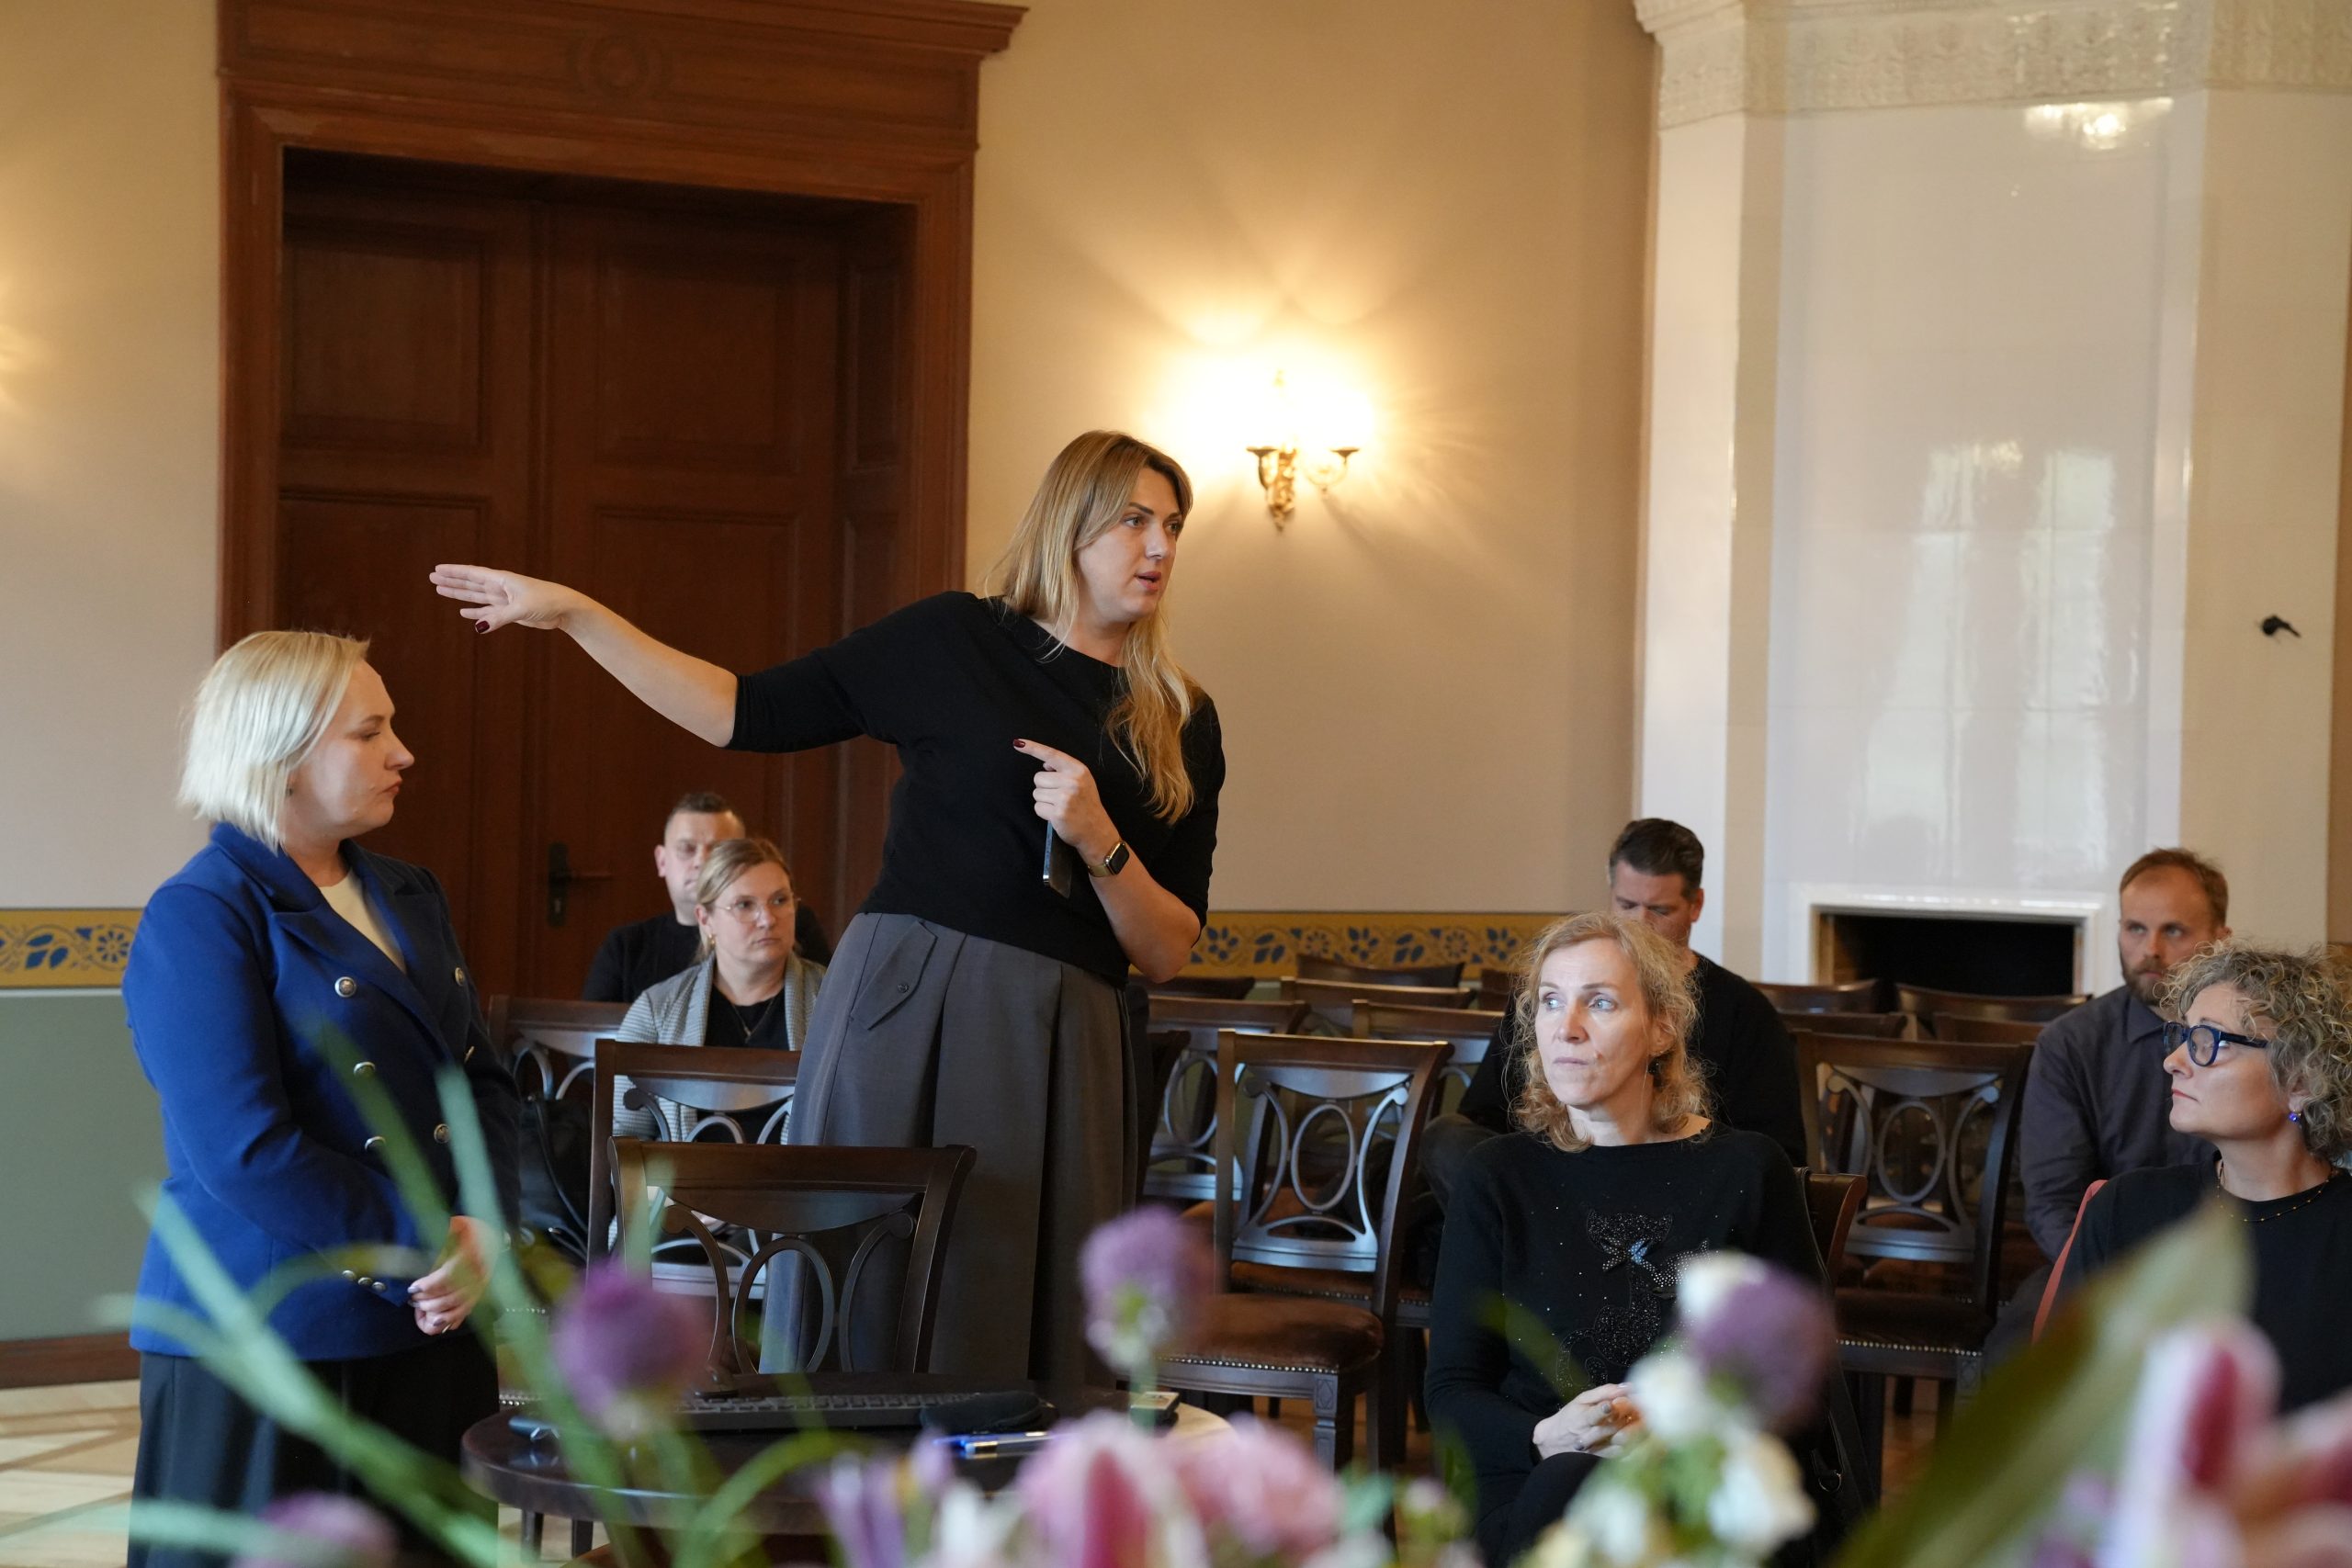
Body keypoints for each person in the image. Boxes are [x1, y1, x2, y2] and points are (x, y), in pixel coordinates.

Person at [431, 429, 1222, 1384]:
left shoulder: (1179, 718)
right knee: (863, 1271)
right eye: (1133, 520)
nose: (1159, 546)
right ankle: (841, 1471)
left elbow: (1167, 949)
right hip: (902, 999)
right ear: (1070, 525)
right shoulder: (954, 638)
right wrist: (577, 616)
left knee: (1011, 1296)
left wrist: (1100, 841)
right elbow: (741, 709)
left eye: (1172, 526)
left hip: (1062, 1029)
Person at [123, 632, 519, 1567]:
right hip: (275, 1334)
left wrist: (485, 1224)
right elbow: (244, 1150)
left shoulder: (409, 892)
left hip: (431, 1316)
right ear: (283, 755)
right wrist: (426, 1244)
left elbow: (480, 1078)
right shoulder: (203, 911)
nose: (402, 753)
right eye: (369, 732)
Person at [1426, 912, 1833, 1567]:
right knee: (1571, 1482)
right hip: (1535, 1477)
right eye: (1550, 1001)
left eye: (1600, 1002)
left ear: (1662, 1027)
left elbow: (1802, 1388)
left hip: (1699, 1484)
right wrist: (1547, 1434)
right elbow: (1452, 1389)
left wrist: (1674, 1436)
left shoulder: (1747, 1170)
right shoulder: (1497, 1175)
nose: (1567, 1027)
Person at [1427, 819, 1807, 1210]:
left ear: (1695, 905)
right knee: (1449, 1137)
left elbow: (1777, 1155)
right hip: (1544, 1186)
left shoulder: (1745, 1011)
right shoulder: (1547, 996)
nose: (1640, 922)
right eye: (1627, 905)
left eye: (1659, 909)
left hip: (1673, 1188)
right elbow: (1486, 1115)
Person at [2056, 942, 2352, 1412]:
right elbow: (2060, 1405)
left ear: (2301, 1081)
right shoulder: (2124, 1208)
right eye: (2182, 1036)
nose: (2173, 1061)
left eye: (2208, 1040)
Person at [2021, 849, 2230, 1259]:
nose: (2150, 949)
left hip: (2228, 1266)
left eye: (2173, 931)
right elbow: (2053, 1204)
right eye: (2135, 928)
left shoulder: (2256, 1042)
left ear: (2220, 940)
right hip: (2102, 1266)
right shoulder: (2070, 1043)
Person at [610, 836, 827, 1140]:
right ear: (705, 918)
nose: (767, 919)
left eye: (780, 900)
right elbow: (624, 1140)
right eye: (744, 905)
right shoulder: (656, 1010)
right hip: (683, 1173)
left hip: (802, 1173)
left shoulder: (836, 1001)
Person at [582, 792, 831, 1003]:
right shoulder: (627, 948)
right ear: (662, 860)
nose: (702, 861)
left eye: (719, 850)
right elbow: (591, 1036)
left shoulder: (792, 924)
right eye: (687, 849)